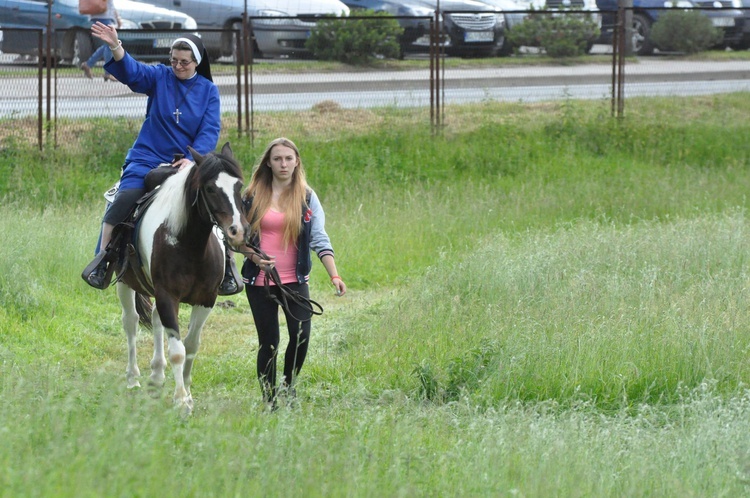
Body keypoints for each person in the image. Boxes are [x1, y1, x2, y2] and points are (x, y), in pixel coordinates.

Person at [82, 22, 241, 295]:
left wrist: (193, 160)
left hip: (186, 162)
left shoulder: (208, 91)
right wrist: (115, 46)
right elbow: (133, 72)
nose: (178, 67)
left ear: (197, 62)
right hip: (146, 157)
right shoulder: (159, 77)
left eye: (185, 62)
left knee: (215, 200)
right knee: (124, 198)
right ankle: (103, 259)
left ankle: (228, 266)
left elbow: (210, 129)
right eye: (174, 61)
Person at [241, 137, 346, 407]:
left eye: (288, 158)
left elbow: (319, 237)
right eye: (277, 158)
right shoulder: (252, 195)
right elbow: (236, 238)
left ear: (297, 161)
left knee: (301, 338)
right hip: (260, 281)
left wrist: (334, 275)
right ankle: (269, 399)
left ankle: (288, 387)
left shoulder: (307, 197)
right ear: (268, 162)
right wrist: (254, 256)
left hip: (295, 281)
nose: (283, 164)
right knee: (270, 342)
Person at [80, 0, 120, 82]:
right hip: (104, 17)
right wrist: (117, 18)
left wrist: (117, 17)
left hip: (100, 16)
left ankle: (88, 64)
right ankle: (108, 73)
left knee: (107, 45)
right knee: (109, 45)